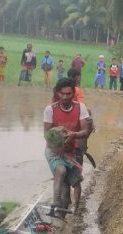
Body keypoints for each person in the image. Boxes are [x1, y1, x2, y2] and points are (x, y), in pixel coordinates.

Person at [44, 79, 92, 211]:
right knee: (61, 171)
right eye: (62, 94)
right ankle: (57, 203)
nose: (65, 97)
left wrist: (74, 135)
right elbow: (46, 134)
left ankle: (75, 210)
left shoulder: (80, 108)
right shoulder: (50, 110)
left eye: (69, 94)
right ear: (57, 93)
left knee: (76, 181)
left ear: (73, 93)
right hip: (55, 151)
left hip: (73, 150)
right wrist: (57, 135)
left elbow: (86, 130)